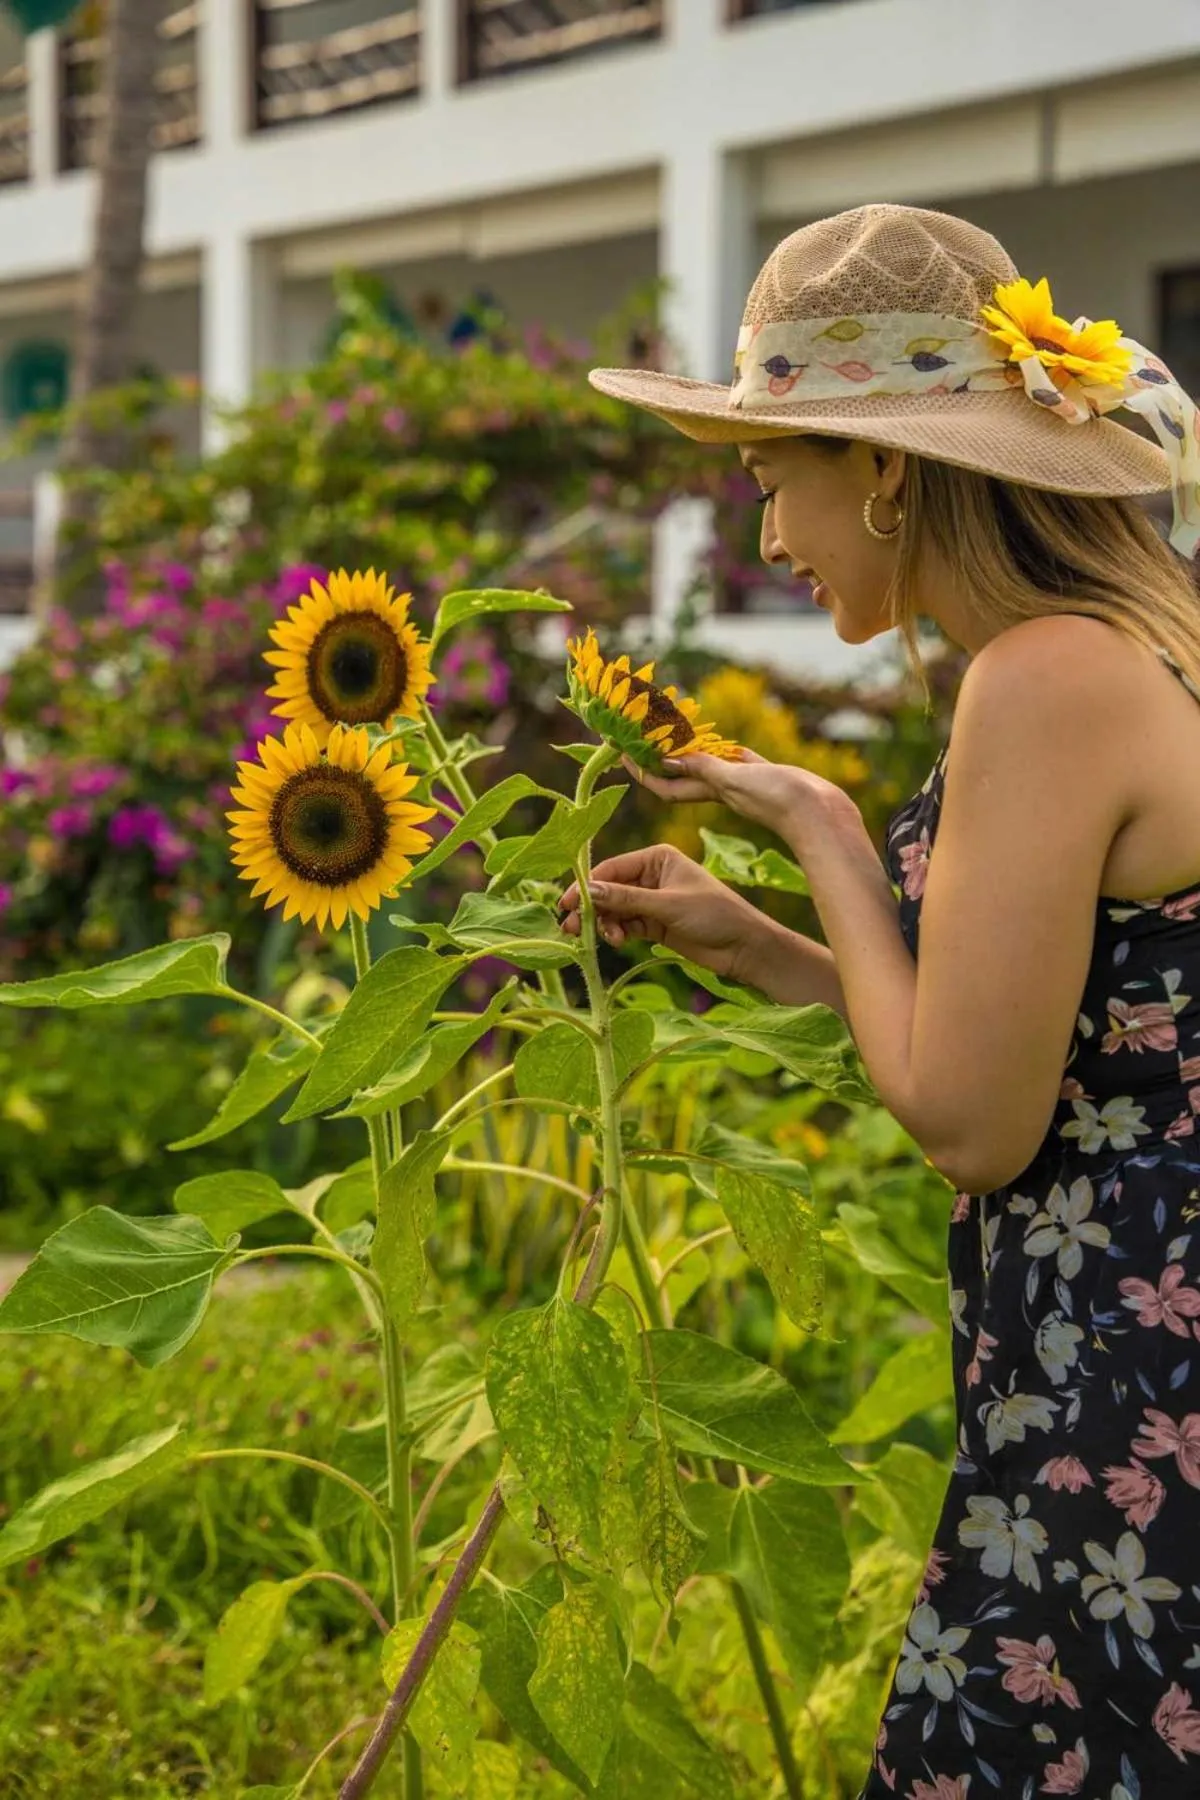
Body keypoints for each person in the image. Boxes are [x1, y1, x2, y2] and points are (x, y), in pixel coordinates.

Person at [557, 204, 1200, 1798]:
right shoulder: (1137, 642)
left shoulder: (1042, 680)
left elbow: (976, 1121)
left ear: (891, 469)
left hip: (1125, 1394)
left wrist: (827, 837)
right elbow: (1078, 1038)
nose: (768, 535)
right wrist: (766, 946)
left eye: (777, 476)